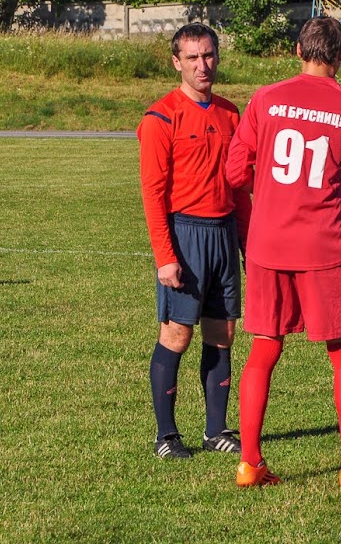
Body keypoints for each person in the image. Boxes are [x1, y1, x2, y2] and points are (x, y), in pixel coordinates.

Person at [225, 17, 341, 488]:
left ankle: (249, 462)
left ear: (298, 50)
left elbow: (236, 174)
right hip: (324, 245)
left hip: (267, 243)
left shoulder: (265, 98)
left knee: (264, 349)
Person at [137, 23, 251, 459]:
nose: (202, 65)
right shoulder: (160, 117)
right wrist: (165, 257)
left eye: (208, 56)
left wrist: (247, 241)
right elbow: (152, 194)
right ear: (176, 63)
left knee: (222, 334)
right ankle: (166, 436)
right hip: (184, 236)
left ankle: (215, 429)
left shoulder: (230, 113)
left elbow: (240, 186)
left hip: (223, 233)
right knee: (176, 335)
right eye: (193, 58)